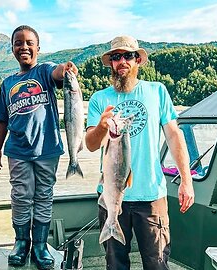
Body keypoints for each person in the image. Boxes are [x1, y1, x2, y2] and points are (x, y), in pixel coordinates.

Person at [85, 35, 195, 270]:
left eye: (128, 56)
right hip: (112, 197)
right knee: (115, 264)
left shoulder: (157, 91)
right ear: (111, 63)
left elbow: (174, 135)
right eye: (116, 57)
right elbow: (91, 144)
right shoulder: (99, 99)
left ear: (137, 60)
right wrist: (103, 126)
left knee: (157, 263)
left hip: (152, 196)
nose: (122, 61)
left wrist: (187, 180)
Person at [0, 25, 77, 270]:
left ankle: (39, 244)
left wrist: (66, 69)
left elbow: (59, 73)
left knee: (43, 196)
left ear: (38, 48)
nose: (24, 47)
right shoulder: (7, 84)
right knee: (20, 196)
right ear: (12, 49)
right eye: (18, 43)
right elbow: (2, 118)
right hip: (17, 150)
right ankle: (21, 242)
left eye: (29, 43)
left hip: (48, 149)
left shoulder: (45, 71)